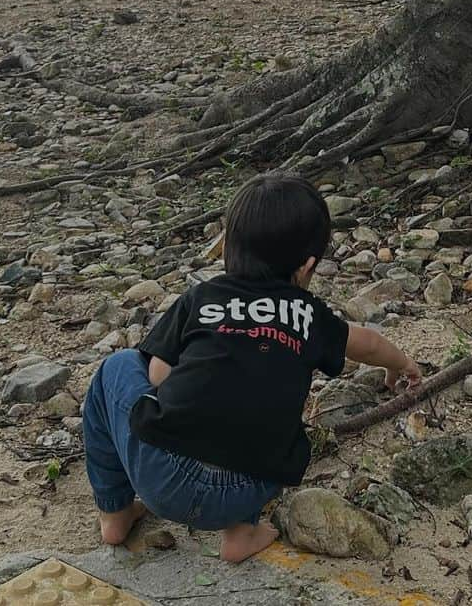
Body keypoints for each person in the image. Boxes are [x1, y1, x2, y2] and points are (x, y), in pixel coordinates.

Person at [81, 172, 422, 563]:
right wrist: (403, 365)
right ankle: (241, 533)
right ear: (307, 266)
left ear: (226, 245)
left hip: (164, 481)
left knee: (118, 366)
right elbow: (369, 343)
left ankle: (116, 513)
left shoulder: (201, 298)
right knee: (256, 400)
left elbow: (158, 373)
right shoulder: (308, 315)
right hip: (252, 486)